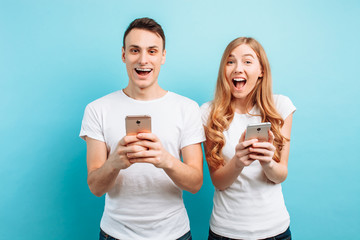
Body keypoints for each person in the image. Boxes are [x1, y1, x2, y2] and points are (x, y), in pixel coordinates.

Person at [80, 17, 205, 240]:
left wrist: (165, 160)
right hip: (115, 234)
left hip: (174, 234)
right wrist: (114, 162)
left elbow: (195, 183)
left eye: (152, 51)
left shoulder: (187, 108)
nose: (143, 59)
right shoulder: (97, 109)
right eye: (135, 50)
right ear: (123, 55)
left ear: (163, 56)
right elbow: (96, 188)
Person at [201, 37, 296, 240]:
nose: (237, 68)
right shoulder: (208, 113)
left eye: (247, 61)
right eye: (230, 61)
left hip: (275, 231)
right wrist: (238, 162)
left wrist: (267, 161)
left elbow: (280, 175)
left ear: (261, 71)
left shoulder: (281, 106)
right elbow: (218, 181)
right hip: (225, 232)